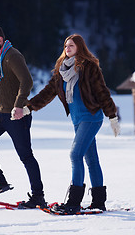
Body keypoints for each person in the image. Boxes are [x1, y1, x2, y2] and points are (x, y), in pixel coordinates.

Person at [27, 34, 120, 214]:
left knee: (75, 155)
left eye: (71, 45)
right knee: (91, 160)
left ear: (80, 47)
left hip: (91, 117)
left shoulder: (89, 67)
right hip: (77, 120)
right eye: (66, 45)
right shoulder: (61, 70)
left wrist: (112, 116)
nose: (67, 48)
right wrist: (29, 107)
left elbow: (102, 92)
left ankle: (74, 201)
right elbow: (48, 92)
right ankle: (99, 202)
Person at [0, 23, 46, 209]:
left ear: (0, 39)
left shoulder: (12, 55)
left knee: (26, 156)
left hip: (16, 115)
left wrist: (19, 105)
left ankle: (38, 196)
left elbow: (27, 81)